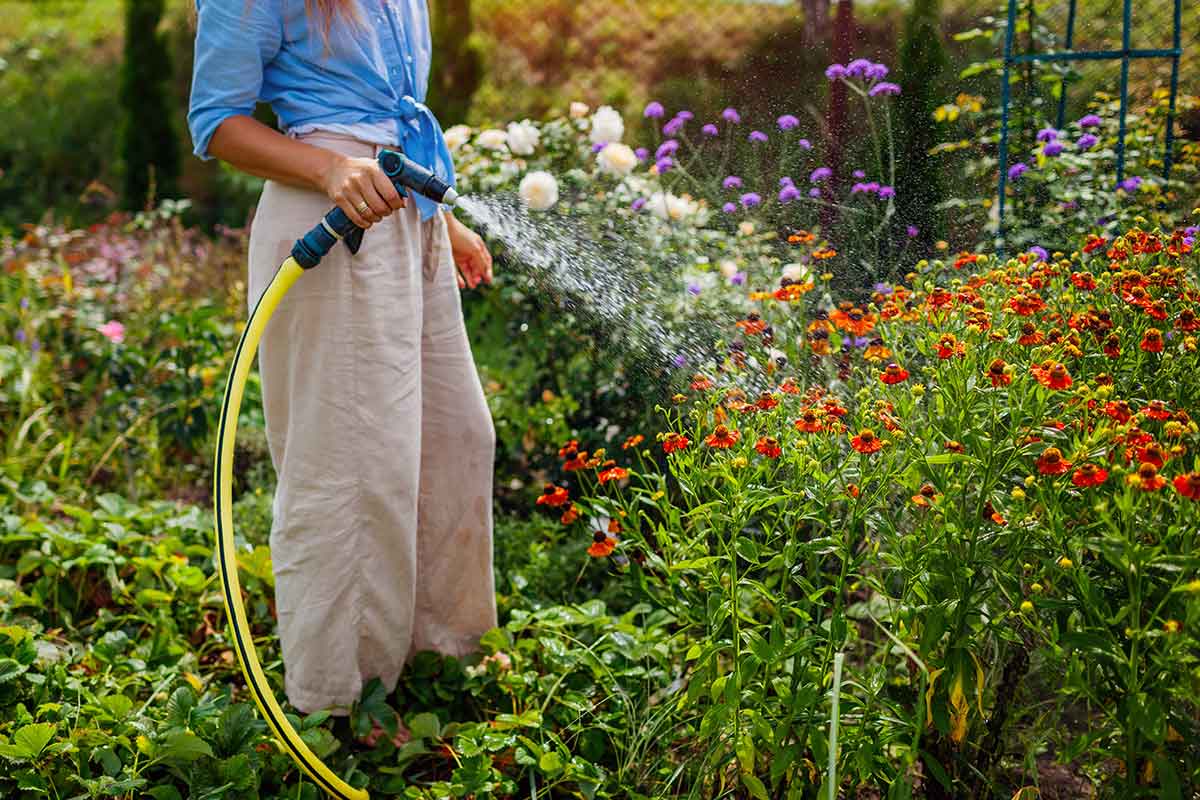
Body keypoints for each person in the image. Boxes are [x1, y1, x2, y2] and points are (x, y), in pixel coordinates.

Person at [187, 0, 499, 744]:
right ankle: (344, 697)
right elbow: (217, 121)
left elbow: (393, 117)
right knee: (353, 466)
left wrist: (443, 220)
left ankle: (442, 649)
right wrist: (330, 168)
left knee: (458, 435)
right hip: (330, 226)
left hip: (406, 212)